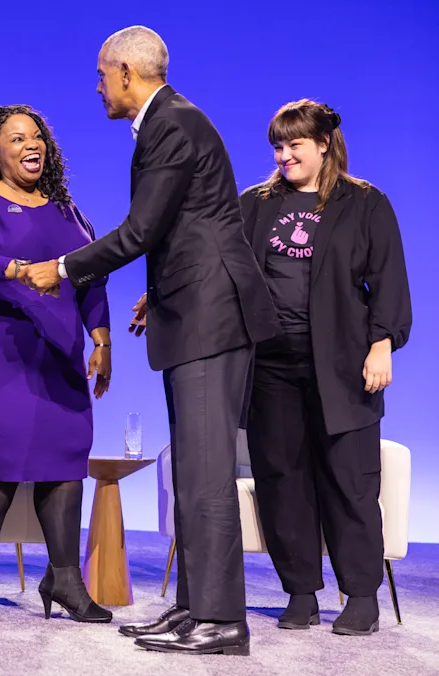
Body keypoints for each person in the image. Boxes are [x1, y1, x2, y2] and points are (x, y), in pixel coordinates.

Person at [20, 26, 281, 655]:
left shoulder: (172, 124)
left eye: (103, 75)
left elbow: (140, 230)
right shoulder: (169, 122)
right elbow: (183, 228)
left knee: (207, 474)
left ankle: (221, 620)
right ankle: (194, 609)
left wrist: (61, 268)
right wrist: (158, 293)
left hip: (212, 318)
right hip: (192, 309)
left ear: (129, 73)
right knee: (191, 470)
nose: (99, 86)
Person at [240, 100, 412, 636]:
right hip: (271, 363)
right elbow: (219, 264)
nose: (284, 154)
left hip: (342, 365)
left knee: (349, 480)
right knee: (281, 478)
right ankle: (300, 592)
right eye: (278, 145)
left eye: (295, 144)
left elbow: (388, 278)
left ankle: (361, 594)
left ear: (323, 145)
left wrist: (381, 344)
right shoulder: (256, 204)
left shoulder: (364, 203)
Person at [0, 105, 114, 624]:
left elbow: (91, 273)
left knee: (65, 457)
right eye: (17, 139)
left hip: (56, 352)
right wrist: (16, 269)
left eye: (36, 137)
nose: (31, 145)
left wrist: (100, 339)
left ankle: (64, 578)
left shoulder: (65, 209)